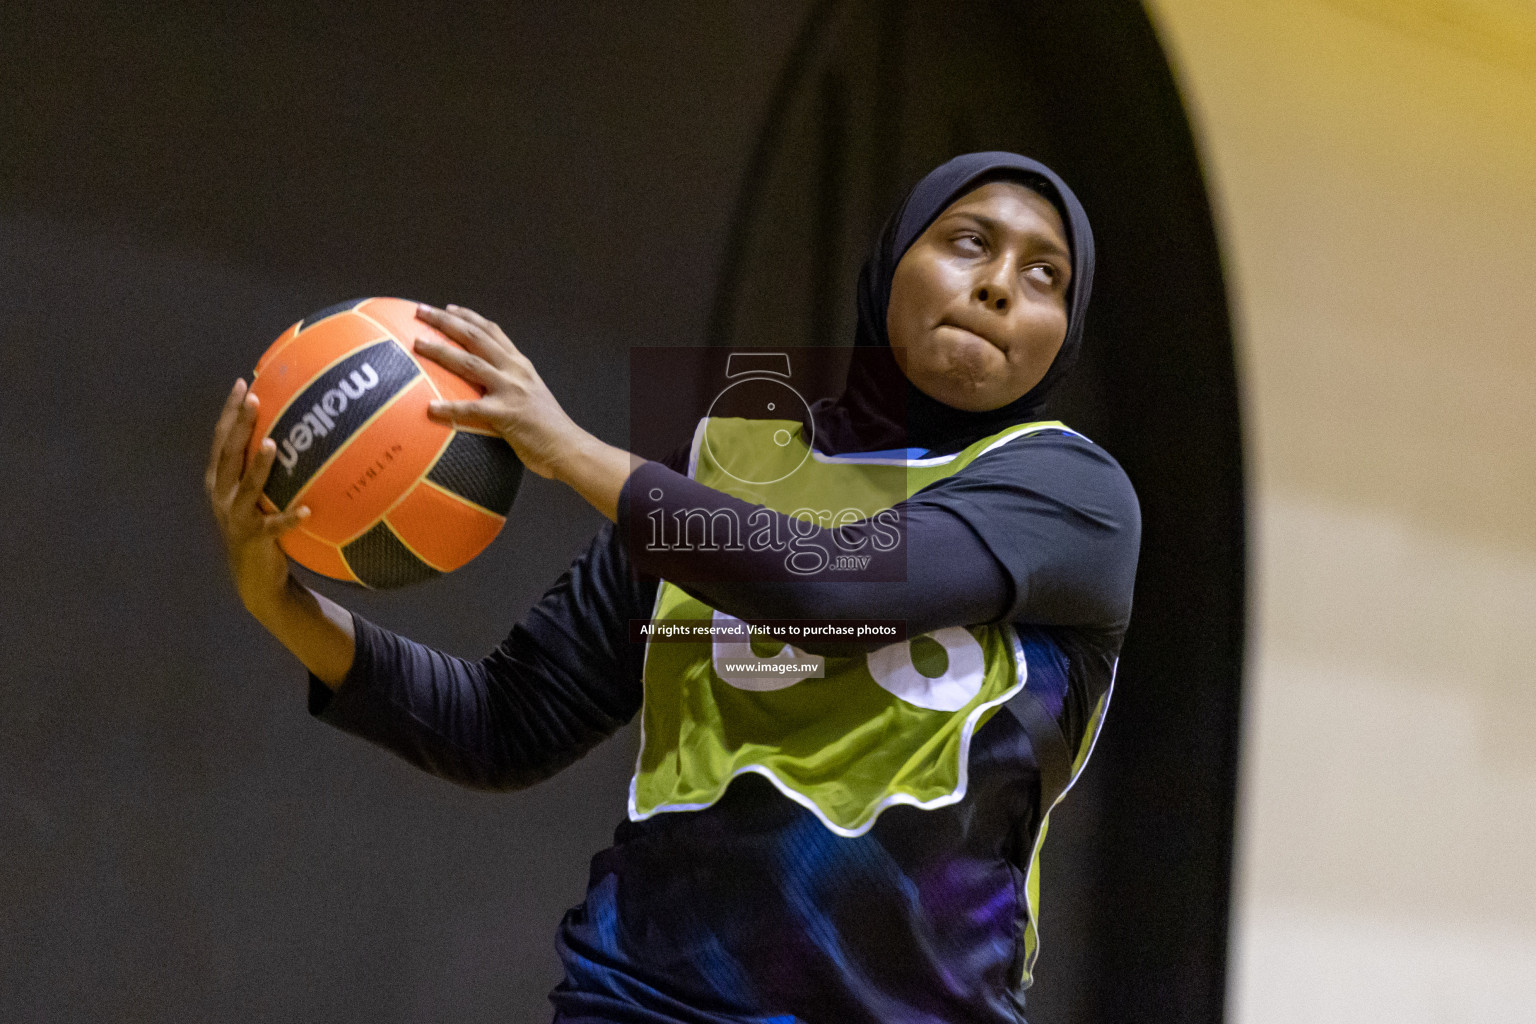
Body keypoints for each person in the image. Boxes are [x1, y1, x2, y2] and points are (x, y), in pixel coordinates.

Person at [204, 152, 1141, 1023]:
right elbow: (505, 721)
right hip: (648, 998)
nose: (998, 284)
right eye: (969, 241)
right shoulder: (727, 463)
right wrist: (278, 601)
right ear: (892, 260)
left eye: (1045, 274)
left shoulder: (1069, 494)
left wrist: (572, 452)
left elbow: (833, 593)